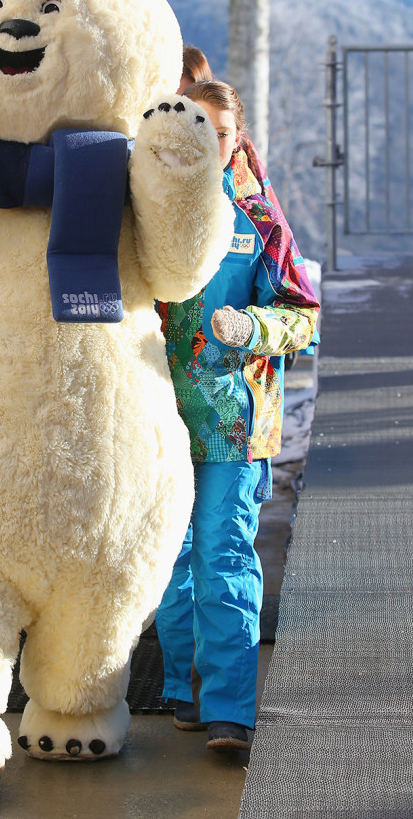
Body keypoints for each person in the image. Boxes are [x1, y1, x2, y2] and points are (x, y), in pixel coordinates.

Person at [154, 79, 320, 753]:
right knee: (169, 559)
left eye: (218, 132)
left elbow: (301, 316)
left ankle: (229, 708)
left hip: (232, 424)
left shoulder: (257, 215)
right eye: (192, 126)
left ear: (237, 139)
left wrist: (250, 325)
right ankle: (183, 688)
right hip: (154, 422)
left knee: (223, 556)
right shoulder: (146, 202)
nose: (205, 142)